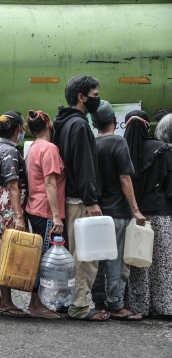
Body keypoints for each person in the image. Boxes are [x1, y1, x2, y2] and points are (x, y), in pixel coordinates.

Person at [52, 75, 109, 321]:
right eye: (94, 96)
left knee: (71, 255)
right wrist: (91, 200)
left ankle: (67, 302)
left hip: (68, 198)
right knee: (85, 257)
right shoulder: (80, 125)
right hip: (80, 201)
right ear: (81, 97)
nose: (97, 100)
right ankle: (80, 306)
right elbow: (84, 166)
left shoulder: (63, 123)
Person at [89, 101, 144, 321]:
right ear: (114, 121)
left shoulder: (93, 143)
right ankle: (117, 305)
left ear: (94, 124)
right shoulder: (118, 142)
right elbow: (124, 177)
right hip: (118, 212)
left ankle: (100, 302)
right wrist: (136, 209)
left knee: (99, 260)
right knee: (116, 261)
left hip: (98, 212)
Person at [124, 110, 172, 319]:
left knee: (138, 261)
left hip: (134, 215)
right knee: (162, 263)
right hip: (161, 213)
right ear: (147, 126)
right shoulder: (163, 150)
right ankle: (163, 306)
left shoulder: (122, 149)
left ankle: (138, 306)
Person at [0, 111, 31, 318]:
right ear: (18, 129)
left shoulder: (0, 148)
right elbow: (13, 186)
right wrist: (19, 216)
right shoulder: (10, 152)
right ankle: (6, 302)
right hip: (9, 206)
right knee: (7, 251)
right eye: (22, 127)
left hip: (0, 203)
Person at [25, 110, 65, 319]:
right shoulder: (49, 149)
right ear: (49, 124)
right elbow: (50, 182)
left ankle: (39, 302)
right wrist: (57, 216)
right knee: (46, 259)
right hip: (47, 211)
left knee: (42, 256)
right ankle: (36, 304)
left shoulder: (33, 148)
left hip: (35, 207)